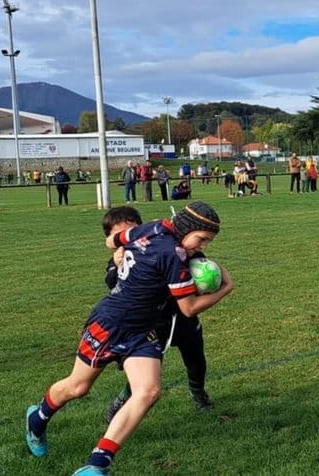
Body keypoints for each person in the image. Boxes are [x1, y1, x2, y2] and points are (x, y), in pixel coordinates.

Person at [24, 202, 233, 475]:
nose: (203, 246)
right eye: (202, 239)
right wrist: (225, 289)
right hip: (109, 324)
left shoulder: (153, 227)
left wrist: (121, 253)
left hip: (142, 330)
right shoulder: (170, 254)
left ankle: (98, 465)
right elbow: (189, 308)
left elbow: (113, 239)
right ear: (186, 229)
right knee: (78, 388)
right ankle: (37, 419)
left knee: (148, 391)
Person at [99, 206, 217, 424]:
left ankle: (199, 394)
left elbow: (195, 269)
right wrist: (117, 265)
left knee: (196, 360)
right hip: (153, 323)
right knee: (148, 369)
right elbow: (112, 285)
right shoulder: (122, 257)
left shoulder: (174, 250)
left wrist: (203, 278)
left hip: (183, 319)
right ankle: (122, 400)